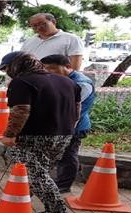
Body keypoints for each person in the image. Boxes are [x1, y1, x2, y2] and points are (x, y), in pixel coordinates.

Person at [0, 51, 81, 213]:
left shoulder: (21, 82)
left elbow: (20, 111)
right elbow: (76, 110)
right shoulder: (67, 81)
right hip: (64, 133)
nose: (6, 72)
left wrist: (10, 135)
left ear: (17, 65)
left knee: (34, 173)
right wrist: (68, 129)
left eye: (6, 68)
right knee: (40, 170)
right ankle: (18, 198)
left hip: (35, 134)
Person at [41, 54, 96, 193]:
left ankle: (63, 186)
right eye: (45, 68)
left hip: (75, 127)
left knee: (68, 155)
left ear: (68, 67)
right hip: (61, 125)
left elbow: (67, 105)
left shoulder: (82, 84)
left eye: (52, 68)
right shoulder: (60, 80)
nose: (48, 72)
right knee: (60, 155)